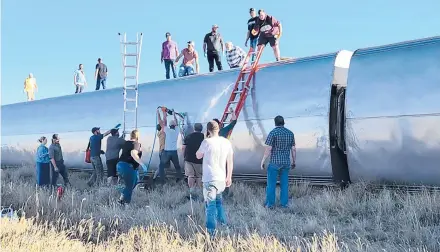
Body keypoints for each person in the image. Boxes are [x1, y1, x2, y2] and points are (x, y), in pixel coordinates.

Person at [196, 120, 234, 236]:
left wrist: (204, 138)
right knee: (219, 203)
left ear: (208, 130)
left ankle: (211, 233)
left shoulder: (206, 142)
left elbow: (198, 155)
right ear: (218, 129)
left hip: (209, 178)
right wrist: (229, 177)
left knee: (210, 205)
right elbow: (230, 161)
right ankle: (223, 224)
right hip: (221, 179)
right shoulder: (226, 142)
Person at [260, 115, 296, 209]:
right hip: (286, 163)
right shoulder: (290, 133)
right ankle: (284, 204)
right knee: (284, 185)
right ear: (284, 122)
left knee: (271, 185)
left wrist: (263, 160)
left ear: (275, 123)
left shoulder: (273, 133)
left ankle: (270, 205)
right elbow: (293, 149)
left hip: (275, 163)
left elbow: (268, 149)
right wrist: (294, 161)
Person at [117, 129, 148, 205]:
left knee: (133, 183)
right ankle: (125, 204)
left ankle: (122, 198)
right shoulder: (136, 144)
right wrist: (142, 164)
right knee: (129, 186)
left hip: (120, 164)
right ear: (137, 136)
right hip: (128, 166)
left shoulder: (126, 143)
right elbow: (133, 153)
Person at [211, 107, 237, 197]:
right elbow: (234, 122)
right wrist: (233, 112)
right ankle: (225, 194)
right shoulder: (223, 131)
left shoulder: (208, 135)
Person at [157, 108, 183, 184]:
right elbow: (177, 123)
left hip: (167, 152)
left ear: (169, 125)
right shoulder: (177, 130)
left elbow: (161, 122)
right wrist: (174, 114)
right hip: (174, 152)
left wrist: (158, 113)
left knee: (161, 166)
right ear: (174, 125)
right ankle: (179, 179)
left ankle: (162, 181)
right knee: (177, 166)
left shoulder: (167, 130)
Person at [182, 123, 204, 199]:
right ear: (201, 129)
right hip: (199, 160)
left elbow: (183, 147)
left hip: (189, 159)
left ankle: (191, 191)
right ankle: (199, 191)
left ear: (194, 128)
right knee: (199, 176)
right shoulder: (204, 137)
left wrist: (184, 156)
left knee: (190, 175)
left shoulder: (189, 136)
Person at [153, 110, 167, 180]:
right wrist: (164, 112)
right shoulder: (162, 132)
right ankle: (155, 178)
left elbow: (163, 122)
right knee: (161, 166)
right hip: (163, 151)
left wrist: (159, 113)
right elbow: (162, 122)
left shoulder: (160, 133)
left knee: (163, 165)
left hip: (161, 151)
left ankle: (160, 177)